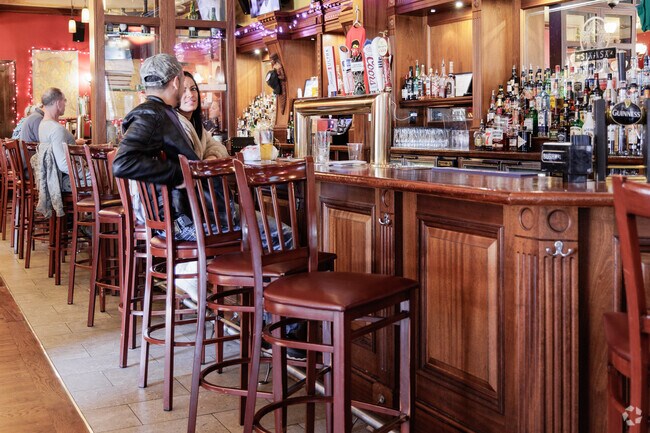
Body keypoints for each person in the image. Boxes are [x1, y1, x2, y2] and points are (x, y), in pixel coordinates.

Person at [37, 88, 85, 192]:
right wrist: (89, 173)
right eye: (64, 101)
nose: (65, 104)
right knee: (103, 180)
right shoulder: (56, 129)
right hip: (66, 180)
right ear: (58, 103)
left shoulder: (43, 125)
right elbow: (63, 164)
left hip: (52, 181)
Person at [176, 71, 228, 160]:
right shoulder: (174, 124)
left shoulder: (196, 124)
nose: (190, 95)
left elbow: (219, 148)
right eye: (183, 90)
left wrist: (210, 158)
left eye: (193, 89)